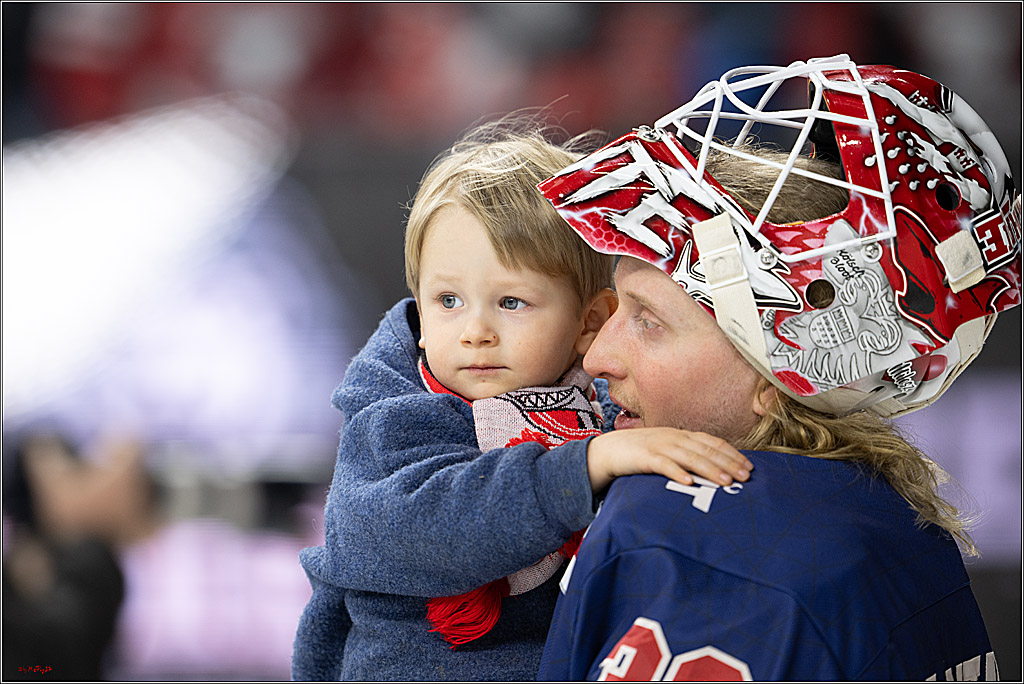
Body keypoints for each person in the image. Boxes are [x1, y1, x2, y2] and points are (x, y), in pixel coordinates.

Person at [535, 55, 1020, 681]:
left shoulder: (674, 536)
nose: (596, 356)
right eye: (616, 308)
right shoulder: (907, 534)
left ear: (780, 372)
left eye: (649, 320)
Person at [290, 117, 755, 681]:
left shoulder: (604, 405)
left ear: (589, 323)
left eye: (511, 303)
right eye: (448, 301)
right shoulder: (395, 407)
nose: (475, 332)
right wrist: (580, 470)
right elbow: (410, 530)